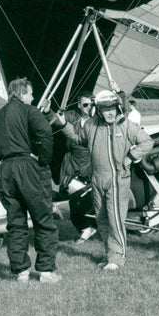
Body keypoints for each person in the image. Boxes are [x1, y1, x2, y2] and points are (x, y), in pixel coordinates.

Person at [0, 77, 61, 284]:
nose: (33, 98)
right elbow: (46, 132)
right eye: (30, 94)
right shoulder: (30, 111)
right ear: (21, 94)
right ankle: (46, 271)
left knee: (16, 222)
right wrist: (44, 159)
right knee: (43, 220)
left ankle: (21, 272)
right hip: (30, 168)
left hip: (6, 171)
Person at [56, 89, 153, 272]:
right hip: (97, 179)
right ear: (98, 110)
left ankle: (117, 258)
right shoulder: (91, 125)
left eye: (112, 108)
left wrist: (131, 157)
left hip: (117, 179)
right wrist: (64, 125)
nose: (110, 113)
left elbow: (147, 141)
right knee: (101, 219)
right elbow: (78, 138)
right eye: (105, 109)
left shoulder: (126, 125)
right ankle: (110, 254)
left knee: (115, 219)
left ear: (117, 108)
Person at [58, 91, 96, 243]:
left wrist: (118, 92)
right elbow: (57, 119)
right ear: (79, 105)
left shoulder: (97, 119)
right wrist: (49, 112)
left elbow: (120, 114)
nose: (89, 107)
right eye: (85, 105)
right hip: (72, 162)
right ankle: (84, 227)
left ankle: (91, 227)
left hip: (89, 161)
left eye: (92, 104)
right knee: (71, 197)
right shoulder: (72, 116)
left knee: (87, 197)